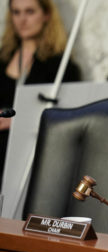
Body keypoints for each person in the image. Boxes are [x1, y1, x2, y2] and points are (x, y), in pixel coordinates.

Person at [0, 0, 80, 184]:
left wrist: (20, 122)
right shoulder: (3, 58)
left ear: (46, 15)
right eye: (16, 12)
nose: (22, 20)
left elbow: (67, 117)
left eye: (29, 12)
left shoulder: (61, 66)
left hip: (30, 150)